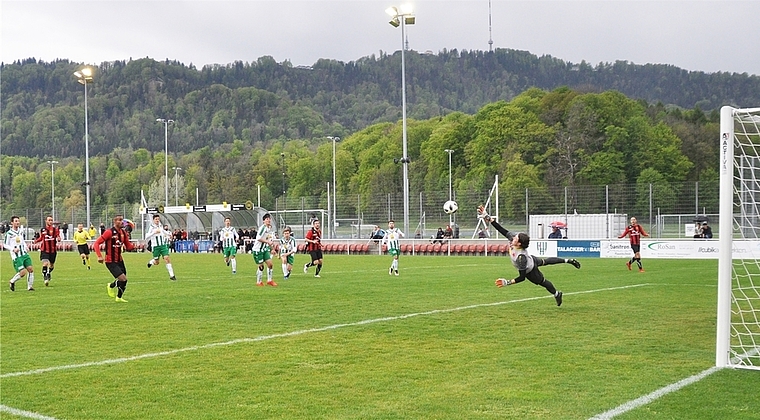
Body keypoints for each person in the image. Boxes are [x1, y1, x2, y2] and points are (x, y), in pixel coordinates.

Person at [478, 205, 580, 306]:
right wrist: (487, 216)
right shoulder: (515, 241)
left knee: (543, 282)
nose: (513, 238)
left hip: (530, 270)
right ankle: (568, 261)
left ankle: (557, 294)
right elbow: (500, 229)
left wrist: (507, 282)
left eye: (515, 239)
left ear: (519, 244)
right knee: (546, 261)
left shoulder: (521, 258)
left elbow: (522, 277)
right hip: (531, 259)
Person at [94, 214, 135, 302]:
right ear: (114, 221)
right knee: (123, 279)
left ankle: (118, 296)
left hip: (120, 260)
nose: (121, 222)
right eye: (119, 220)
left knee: (124, 281)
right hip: (110, 261)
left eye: (122, 220)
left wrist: (133, 246)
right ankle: (113, 288)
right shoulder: (109, 232)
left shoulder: (123, 233)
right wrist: (99, 256)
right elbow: (96, 243)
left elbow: (128, 246)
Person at [4, 216, 36, 291]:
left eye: (18, 221)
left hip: (24, 254)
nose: (17, 222)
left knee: (30, 269)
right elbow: (5, 244)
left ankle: (30, 287)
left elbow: (22, 241)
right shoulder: (9, 233)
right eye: (15, 221)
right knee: (22, 273)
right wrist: (13, 249)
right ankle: (12, 281)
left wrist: (25, 247)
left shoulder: (20, 231)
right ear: (12, 223)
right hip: (16, 256)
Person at [145, 214, 176, 280]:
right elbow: (146, 236)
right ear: (153, 220)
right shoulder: (151, 227)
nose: (157, 220)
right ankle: (151, 262)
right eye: (156, 219)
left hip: (163, 245)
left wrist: (169, 234)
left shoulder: (160, 225)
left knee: (167, 258)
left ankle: (172, 275)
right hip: (156, 247)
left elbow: (163, 231)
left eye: (158, 219)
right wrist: (154, 232)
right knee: (157, 262)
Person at [34, 215, 61, 287]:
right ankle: (45, 277)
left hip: (53, 250)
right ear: (46, 221)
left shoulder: (55, 229)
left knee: (51, 265)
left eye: (51, 220)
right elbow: (41, 238)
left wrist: (58, 238)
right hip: (44, 250)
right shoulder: (43, 229)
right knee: (45, 263)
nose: (50, 221)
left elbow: (58, 236)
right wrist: (36, 241)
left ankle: (48, 272)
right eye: (49, 220)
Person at [252, 213, 277, 287]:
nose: (268, 220)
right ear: (263, 221)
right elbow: (258, 238)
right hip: (258, 250)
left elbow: (268, 240)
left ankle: (269, 280)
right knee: (261, 267)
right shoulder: (262, 228)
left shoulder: (269, 229)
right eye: (266, 219)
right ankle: (259, 281)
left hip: (265, 249)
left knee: (270, 264)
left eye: (269, 219)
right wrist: (267, 242)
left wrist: (272, 249)